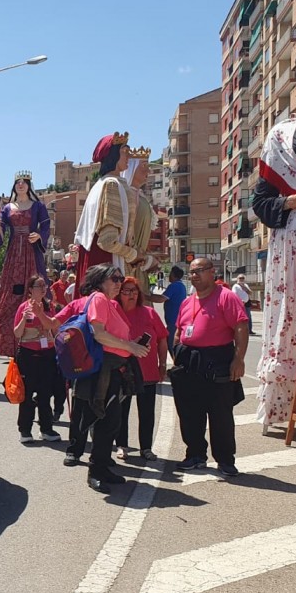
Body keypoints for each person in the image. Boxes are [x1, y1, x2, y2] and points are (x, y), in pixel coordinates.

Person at [62, 264, 149, 494]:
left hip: (112, 370)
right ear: (100, 280)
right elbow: (98, 333)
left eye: (121, 278)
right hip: (103, 373)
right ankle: (95, 472)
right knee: (105, 422)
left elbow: (114, 334)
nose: (119, 282)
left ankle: (101, 468)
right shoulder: (99, 299)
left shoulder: (109, 302)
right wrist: (129, 345)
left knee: (111, 422)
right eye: (114, 278)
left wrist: (132, 343)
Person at [173, 258, 249, 477]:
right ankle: (195, 454)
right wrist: (177, 350)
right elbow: (180, 330)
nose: (194, 275)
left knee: (220, 415)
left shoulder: (226, 297)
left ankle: (225, 460)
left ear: (212, 272)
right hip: (190, 362)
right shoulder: (188, 301)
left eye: (199, 271)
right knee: (189, 413)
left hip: (218, 359)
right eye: (191, 272)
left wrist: (239, 359)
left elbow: (240, 327)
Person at [73, 132, 143, 286]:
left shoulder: (103, 184)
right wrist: (133, 255)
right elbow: (107, 241)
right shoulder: (111, 185)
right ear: (113, 155)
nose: (128, 157)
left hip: (105, 261)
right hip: (106, 265)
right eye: (125, 151)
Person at [0, 171, 50, 357]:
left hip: (31, 253)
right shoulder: (7, 207)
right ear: (14, 186)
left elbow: (46, 227)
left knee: (33, 286)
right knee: (10, 293)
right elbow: (0, 233)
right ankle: (9, 345)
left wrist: (39, 236)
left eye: (24, 182)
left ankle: (37, 338)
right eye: (17, 182)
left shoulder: (38, 206)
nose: (20, 184)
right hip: (13, 254)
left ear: (28, 185)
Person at [115, 277, 168, 462]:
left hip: (147, 369)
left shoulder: (149, 313)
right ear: (119, 293)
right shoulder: (114, 313)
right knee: (121, 410)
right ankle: (121, 445)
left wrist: (163, 364)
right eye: (126, 291)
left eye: (134, 291)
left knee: (147, 411)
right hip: (122, 370)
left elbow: (162, 338)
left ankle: (146, 447)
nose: (131, 294)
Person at [12, 275, 61, 443]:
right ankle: (25, 430)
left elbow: (53, 327)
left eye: (44, 286)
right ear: (31, 289)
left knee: (45, 394)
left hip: (47, 354)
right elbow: (17, 333)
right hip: (28, 355)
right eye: (39, 286)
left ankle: (46, 429)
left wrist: (40, 314)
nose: (43, 288)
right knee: (27, 394)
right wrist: (25, 320)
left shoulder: (49, 307)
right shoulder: (23, 308)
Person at [121, 146, 161, 297]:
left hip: (139, 265)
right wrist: (146, 259)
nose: (148, 171)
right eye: (144, 166)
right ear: (131, 168)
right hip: (132, 264)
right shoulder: (127, 195)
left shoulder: (140, 196)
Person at [162, 266, 187, 350]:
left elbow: (161, 298)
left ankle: (176, 361)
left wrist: (145, 296)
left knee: (171, 345)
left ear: (173, 275)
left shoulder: (174, 286)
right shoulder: (181, 286)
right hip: (176, 320)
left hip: (173, 321)